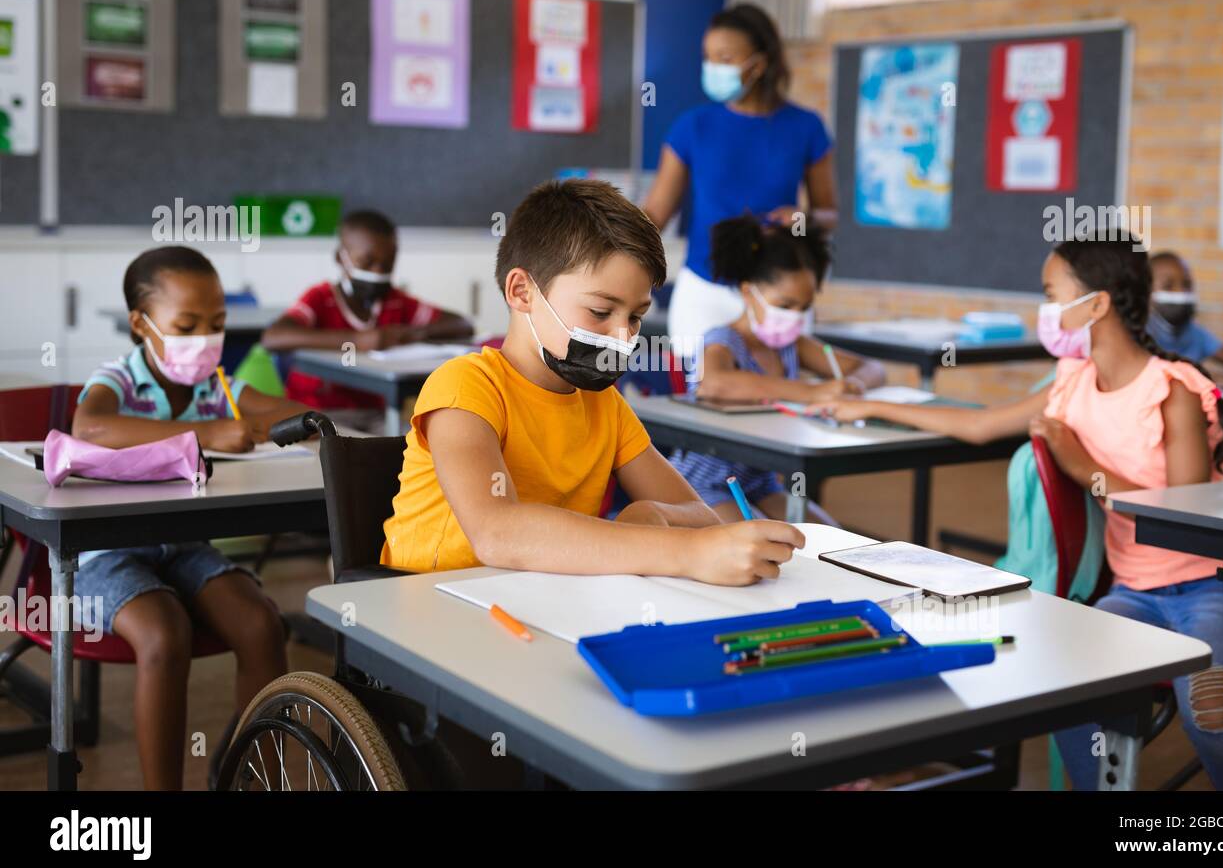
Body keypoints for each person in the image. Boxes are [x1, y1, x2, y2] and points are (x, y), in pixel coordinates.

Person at [813, 232, 1223, 790]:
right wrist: (862, 404)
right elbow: (980, 423)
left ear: (1097, 303)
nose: (1046, 311)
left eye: (1052, 294)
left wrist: (1082, 465)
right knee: (1067, 691)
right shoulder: (1073, 383)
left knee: (1212, 707)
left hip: (1219, 590)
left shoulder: (1173, 390)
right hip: (1133, 595)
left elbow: (1184, 517)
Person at [379, 179, 805, 581]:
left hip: (537, 601)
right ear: (522, 292)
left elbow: (698, 514)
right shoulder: (466, 387)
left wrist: (656, 514)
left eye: (635, 316)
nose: (623, 336)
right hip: (431, 609)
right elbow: (497, 532)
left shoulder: (604, 404)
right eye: (601, 312)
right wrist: (684, 553)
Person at [72, 245, 309, 789]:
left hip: (183, 546)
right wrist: (204, 434)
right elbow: (90, 428)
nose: (204, 337)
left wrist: (260, 426)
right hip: (109, 551)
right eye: (186, 324)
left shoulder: (215, 386)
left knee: (261, 625)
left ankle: (244, 776)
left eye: (217, 323)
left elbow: (293, 413)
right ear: (140, 324)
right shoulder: (120, 379)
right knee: (164, 634)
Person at [642, 3, 837, 359]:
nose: (713, 66)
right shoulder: (693, 127)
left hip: (780, 293)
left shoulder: (806, 127)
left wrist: (803, 220)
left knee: (786, 390)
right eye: (708, 57)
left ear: (758, 65)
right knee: (708, 394)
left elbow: (829, 214)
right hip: (706, 288)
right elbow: (656, 212)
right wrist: (601, 240)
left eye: (725, 58)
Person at [671, 215, 884, 522]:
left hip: (759, 484)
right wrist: (813, 392)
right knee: (761, 546)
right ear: (748, 292)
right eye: (784, 305)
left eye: (804, 307)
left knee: (829, 536)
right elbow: (713, 383)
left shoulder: (792, 344)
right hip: (704, 484)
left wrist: (854, 384)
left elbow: (872, 367)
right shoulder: (723, 340)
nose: (794, 317)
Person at [263, 209, 473, 430]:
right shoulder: (321, 298)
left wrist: (411, 334)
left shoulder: (394, 301)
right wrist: (358, 340)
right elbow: (273, 337)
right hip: (315, 416)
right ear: (340, 258)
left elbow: (462, 324)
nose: (378, 272)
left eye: (387, 264)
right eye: (367, 262)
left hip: (374, 416)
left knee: (421, 441)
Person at [1146, 250, 1223, 370]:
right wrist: (1202, 377)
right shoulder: (1139, 333)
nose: (1181, 293)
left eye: (1186, 285)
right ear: (1147, 292)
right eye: (1168, 286)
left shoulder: (1194, 333)